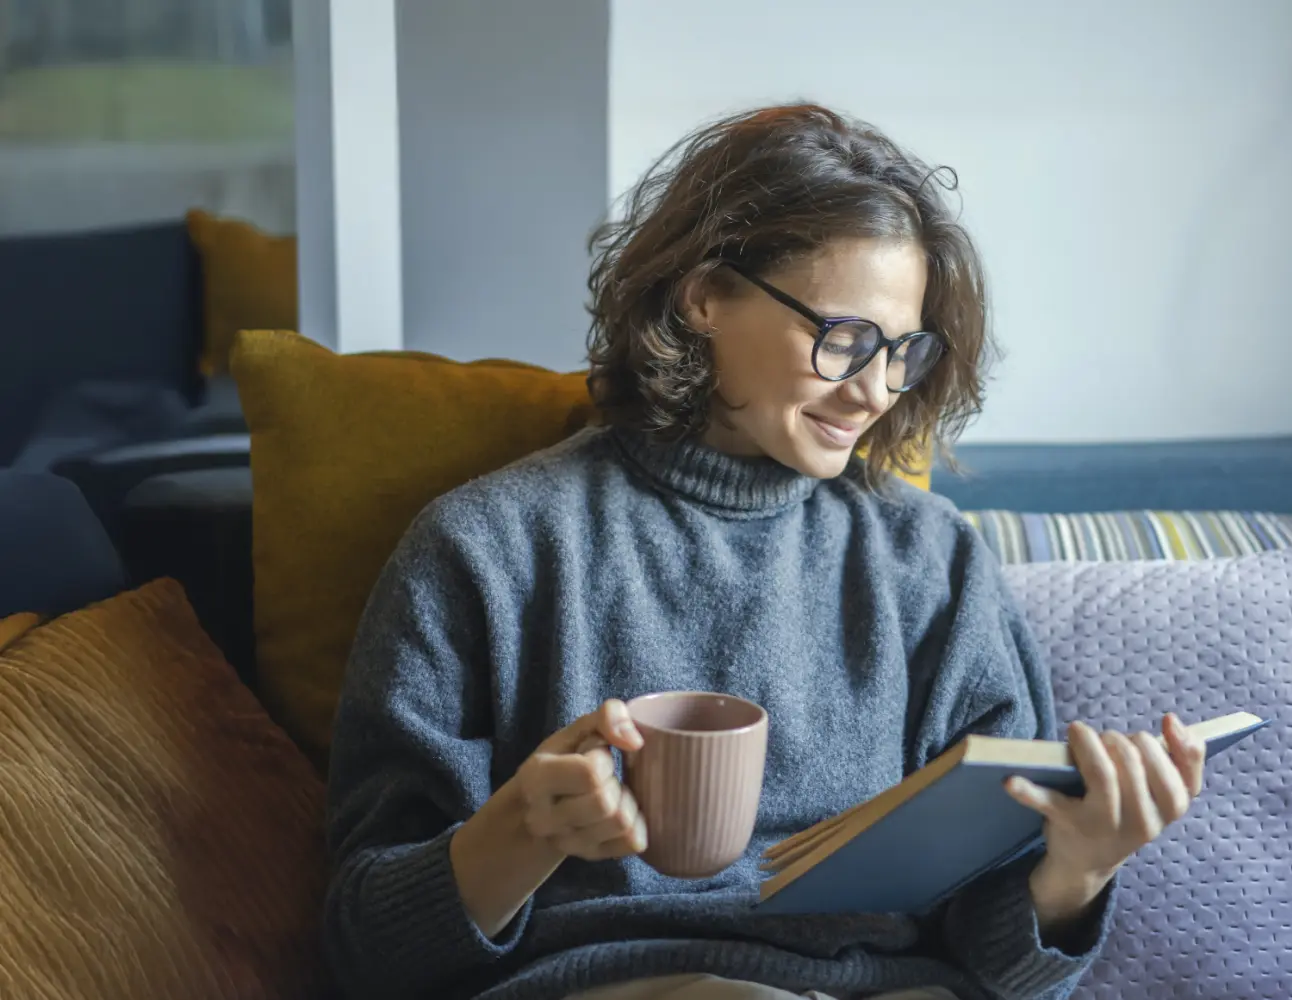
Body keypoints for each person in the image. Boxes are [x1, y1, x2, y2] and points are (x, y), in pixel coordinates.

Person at [322, 104, 1207, 1000]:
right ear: (703, 297)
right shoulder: (490, 549)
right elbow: (366, 950)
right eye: (846, 338)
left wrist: (1076, 872)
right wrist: (525, 828)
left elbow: (997, 970)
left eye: (903, 351)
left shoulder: (931, 563)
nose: (874, 391)